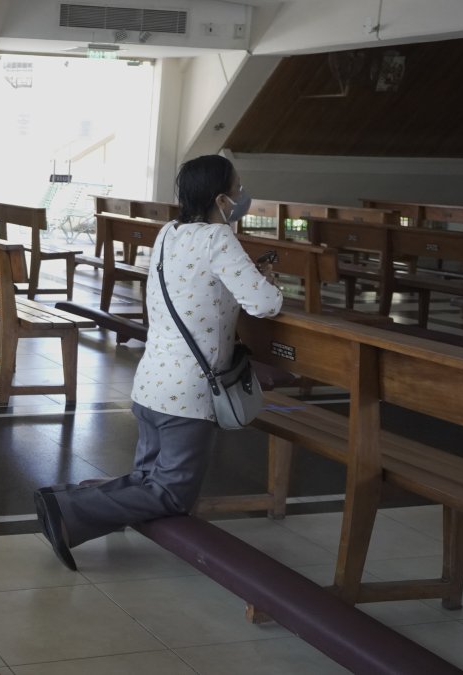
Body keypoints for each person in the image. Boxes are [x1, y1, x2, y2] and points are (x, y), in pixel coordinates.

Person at [34, 154, 283, 571]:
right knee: (172, 493)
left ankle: (61, 502)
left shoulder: (168, 232)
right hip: (188, 393)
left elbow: (198, 289)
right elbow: (264, 303)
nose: (242, 197)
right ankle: (66, 511)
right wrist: (270, 283)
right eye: (237, 190)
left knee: (148, 478)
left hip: (151, 382)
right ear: (221, 199)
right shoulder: (218, 240)